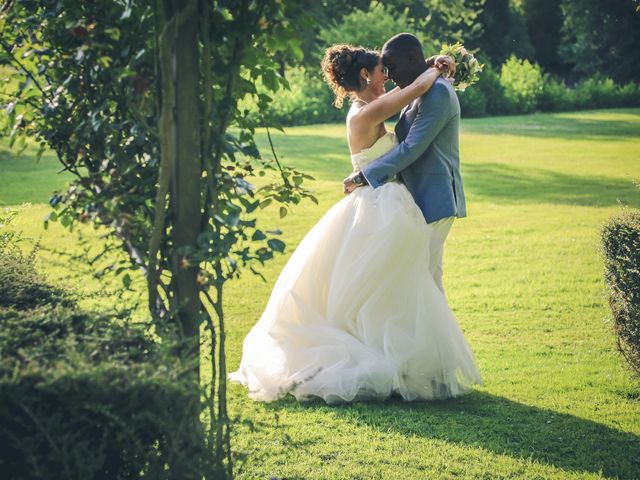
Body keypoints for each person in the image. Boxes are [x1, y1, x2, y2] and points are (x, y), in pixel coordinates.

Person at [228, 40, 483, 404]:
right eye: (384, 71)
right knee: (403, 283)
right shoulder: (367, 113)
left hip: (391, 202)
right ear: (367, 74)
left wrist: (434, 65)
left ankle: (419, 365)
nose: (389, 76)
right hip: (382, 204)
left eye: (390, 70)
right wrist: (436, 67)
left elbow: (410, 88)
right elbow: (413, 89)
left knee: (401, 284)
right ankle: (415, 366)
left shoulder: (371, 105)